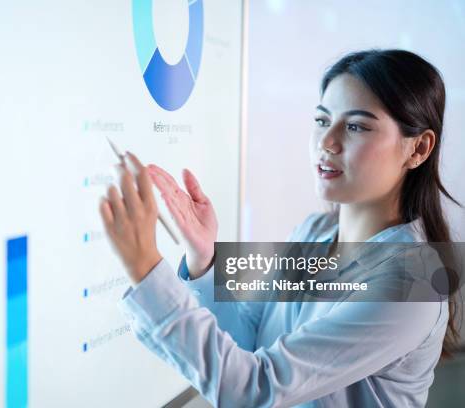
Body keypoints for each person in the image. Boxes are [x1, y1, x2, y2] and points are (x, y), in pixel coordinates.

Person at [98, 49, 462, 407]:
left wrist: (145, 266)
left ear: (418, 148)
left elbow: (254, 389)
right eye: (322, 120)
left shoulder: (413, 285)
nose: (327, 142)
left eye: (356, 126)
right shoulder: (312, 232)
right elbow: (249, 344)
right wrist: (204, 259)